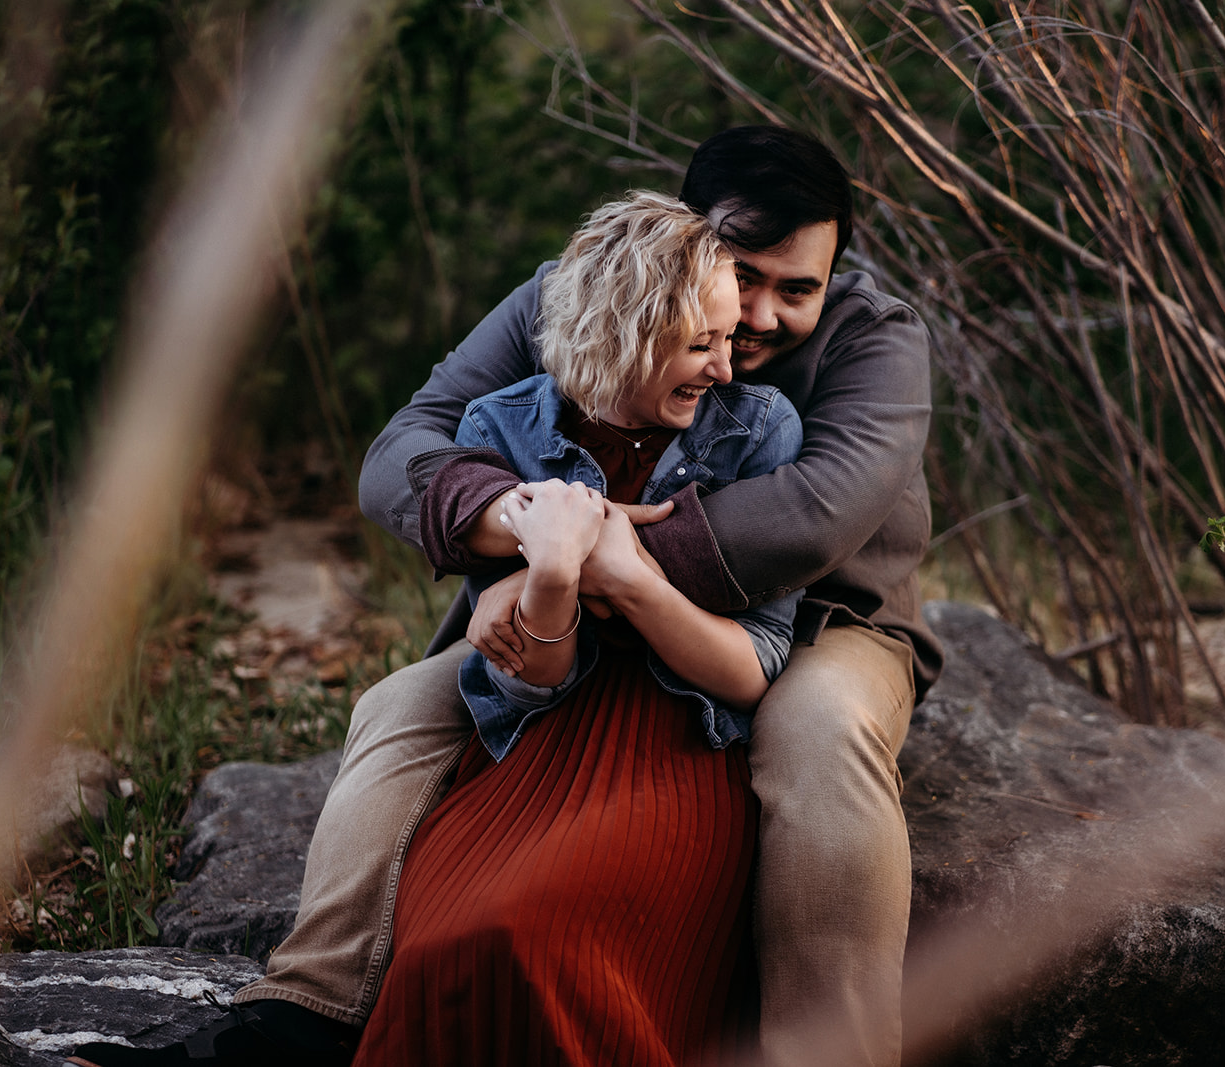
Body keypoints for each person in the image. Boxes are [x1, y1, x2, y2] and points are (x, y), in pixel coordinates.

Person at [71, 125, 940, 1067]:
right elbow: (403, 455)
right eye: (742, 270)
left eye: (798, 287)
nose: (761, 315)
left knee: (818, 728)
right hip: (558, 606)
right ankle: (306, 1014)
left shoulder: (876, 340)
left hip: (822, 621)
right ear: (685, 237)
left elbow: (814, 516)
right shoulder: (585, 296)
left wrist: (595, 556)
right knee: (398, 705)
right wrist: (527, 532)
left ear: (834, 276)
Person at [350, 191, 803, 1063]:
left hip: (678, 741)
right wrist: (551, 572)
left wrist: (630, 579)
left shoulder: (758, 429)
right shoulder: (498, 430)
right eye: (700, 344)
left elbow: (753, 670)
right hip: (532, 741)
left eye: (725, 339)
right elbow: (529, 682)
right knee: (453, 942)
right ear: (622, 338)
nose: (725, 368)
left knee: (538, 937)